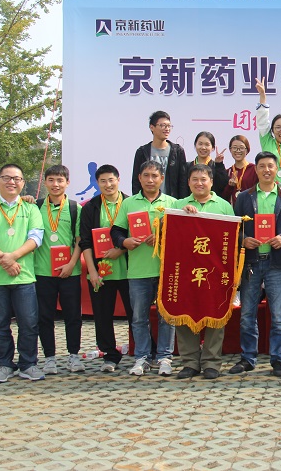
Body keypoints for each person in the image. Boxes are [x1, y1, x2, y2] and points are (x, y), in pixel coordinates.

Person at [0, 164, 45, 382]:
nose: (11, 182)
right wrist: (5, 261)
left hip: (24, 275)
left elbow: (36, 238)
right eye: (6, 178)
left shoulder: (31, 209)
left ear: (23, 183)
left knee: (29, 323)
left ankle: (28, 364)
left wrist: (12, 257)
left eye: (16, 178)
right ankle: (4, 364)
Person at [229, 152, 281, 378]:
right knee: (247, 314)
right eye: (262, 166)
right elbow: (236, 228)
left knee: (279, 316)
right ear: (255, 170)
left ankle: (278, 359)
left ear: (277, 170)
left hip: (277, 264)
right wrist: (244, 240)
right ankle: (248, 358)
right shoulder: (244, 198)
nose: (267, 170)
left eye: (270, 166)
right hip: (251, 263)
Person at [111, 160, 178, 377]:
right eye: (146, 176)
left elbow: (181, 234)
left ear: (162, 179)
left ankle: (165, 357)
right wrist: (125, 242)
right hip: (138, 272)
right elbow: (116, 231)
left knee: (167, 318)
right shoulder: (129, 203)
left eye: (154, 176)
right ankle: (142, 357)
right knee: (139, 318)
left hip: (166, 271)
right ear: (139, 178)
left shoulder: (172, 203)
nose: (150, 180)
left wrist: (161, 238)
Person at [172, 164, 235, 379]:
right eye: (195, 179)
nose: (199, 183)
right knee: (184, 313)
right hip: (185, 271)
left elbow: (232, 239)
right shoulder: (178, 204)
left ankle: (211, 362)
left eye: (203, 179)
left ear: (211, 182)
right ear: (188, 183)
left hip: (215, 272)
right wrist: (181, 214)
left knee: (215, 314)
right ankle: (189, 362)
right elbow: (166, 231)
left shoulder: (224, 206)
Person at [79, 164, 133, 372]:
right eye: (103, 181)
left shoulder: (130, 203)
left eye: (111, 180)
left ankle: (142, 352)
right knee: (102, 316)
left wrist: (120, 250)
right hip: (101, 272)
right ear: (97, 183)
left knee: (136, 316)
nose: (108, 184)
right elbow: (85, 242)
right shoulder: (91, 207)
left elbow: (138, 235)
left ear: (118, 180)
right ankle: (110, 355)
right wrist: (91, 271)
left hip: (129, 271)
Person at [33, 165, 84, 375]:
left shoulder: (74, 208)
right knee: (44, 317)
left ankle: (74, 355)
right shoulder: (35, 207)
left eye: (60, 180)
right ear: (45, 182)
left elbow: (79, 240)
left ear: (67, 183)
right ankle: (50, 358)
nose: (56, 184)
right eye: (51, 180)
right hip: (42, 272)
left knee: (73, 316)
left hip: (70, 272)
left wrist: (72, 264)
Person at [132, 111, 188, 198]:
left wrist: (181, 202)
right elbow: (136, 181)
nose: (167, 129)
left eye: (169, 126)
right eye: (163, 125)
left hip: (171, 201)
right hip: (147, 201)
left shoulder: (177, 151)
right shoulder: (142, 152)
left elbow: (182, 182)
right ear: (152, 127)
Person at [256, 78, 281, 194]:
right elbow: (262, 121)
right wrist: (262, 97)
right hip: (269, 193)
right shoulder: (267, 141)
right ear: (272, 130)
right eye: (278, 127)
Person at [221, 135, 259, 205]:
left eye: (241, 148)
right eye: (234, 148)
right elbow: (223, 198)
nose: (238, 151)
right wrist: (230, 186)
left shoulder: (254, 169)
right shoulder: (228, 172)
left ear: (247, 150)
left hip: (250, 208)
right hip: (232, 210)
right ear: (230, 150)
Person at [190, 131, 229, 196]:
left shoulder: (216, 166)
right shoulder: (187, 166)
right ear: (195, 145)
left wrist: (219, 164)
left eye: (207, 145)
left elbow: (223, 186)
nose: (203, 147)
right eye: (200, 144)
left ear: (213, 148)